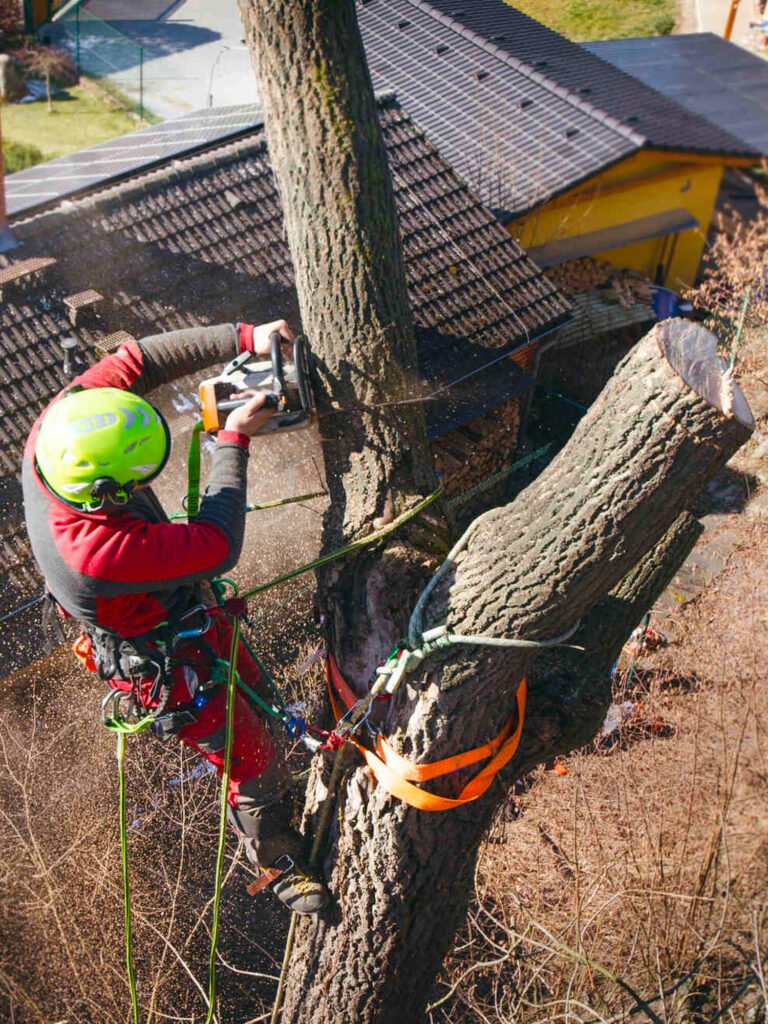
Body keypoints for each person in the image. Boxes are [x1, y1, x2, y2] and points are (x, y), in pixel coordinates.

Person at [22, 320, 329, 915]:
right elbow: (217, 540)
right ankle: (280, 864)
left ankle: (289, 735)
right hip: (164, 657)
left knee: (258, 693)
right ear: (105, 493)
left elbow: (138, 359)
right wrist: (231, 441)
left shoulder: (64, 425)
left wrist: (245, 336)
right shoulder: (97, 555)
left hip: (189, 610)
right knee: (247, 755)